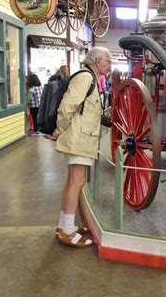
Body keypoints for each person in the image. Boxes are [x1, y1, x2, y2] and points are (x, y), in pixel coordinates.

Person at [53, 47, 111, 248]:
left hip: (82, 137)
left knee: (73, 181)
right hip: (78, 138)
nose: (109, 65)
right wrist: (59, 130)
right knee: (77, 181)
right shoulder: (85, 78)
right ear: (97, 61)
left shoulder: (91, 78)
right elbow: (67, 106)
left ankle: (64, 225)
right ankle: (67, 230)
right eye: (108, 61)